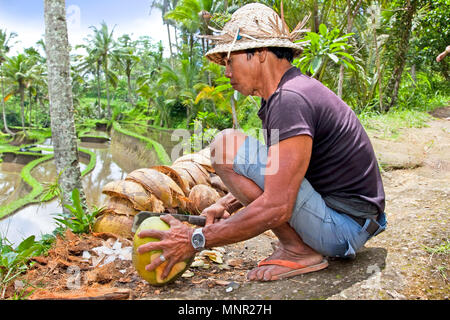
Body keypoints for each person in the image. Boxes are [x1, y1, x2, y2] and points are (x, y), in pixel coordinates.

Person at [136, 3, 387, 282]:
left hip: (342, 228)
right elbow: (281, 171)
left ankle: (299, 251)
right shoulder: (287, 93)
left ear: (260, 54)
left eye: (230, 60)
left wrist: (195, 239)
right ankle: (298, 246)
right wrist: (227, 205)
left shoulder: (290, 99)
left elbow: (278, 205)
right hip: (354, 221)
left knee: (224, 146)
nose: (226, 71)